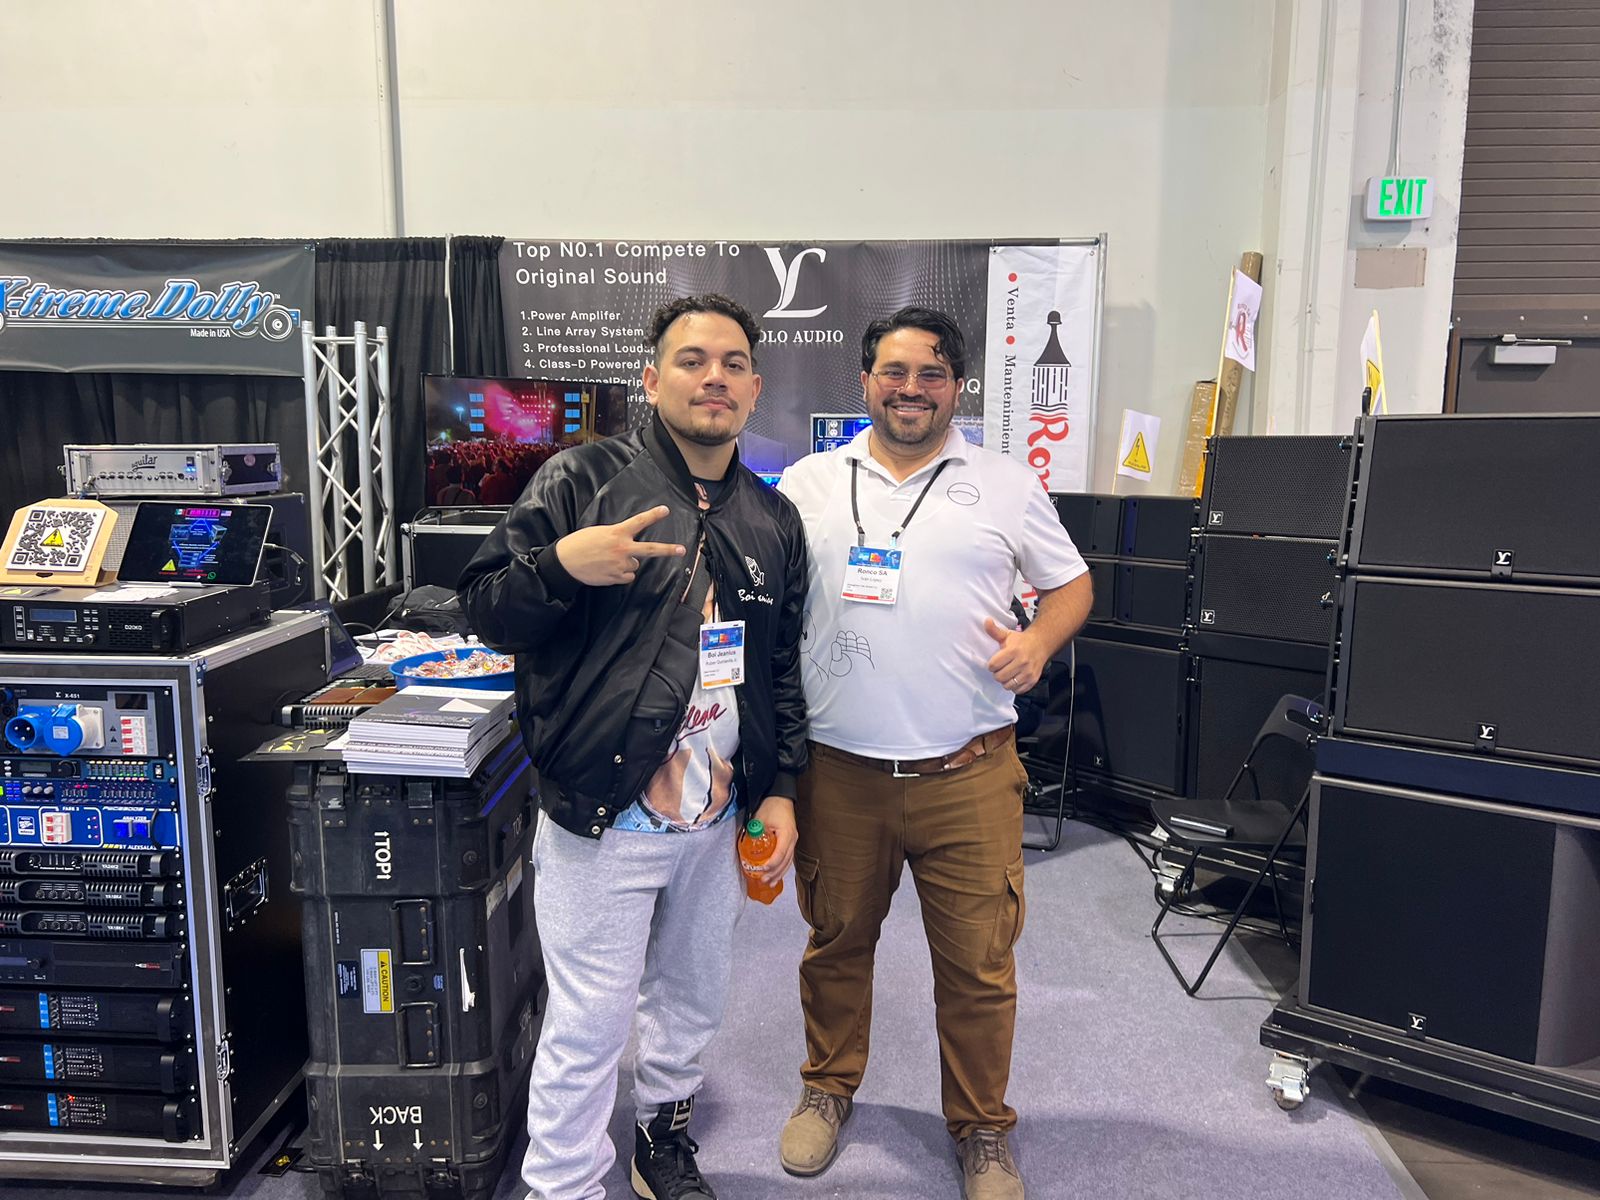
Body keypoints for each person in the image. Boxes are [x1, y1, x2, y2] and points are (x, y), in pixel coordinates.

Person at [458, 294, 808, 1200]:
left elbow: (780, 671)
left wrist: (780, 788)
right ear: (651, 380)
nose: (714, 377)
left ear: (755, 388)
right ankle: (564, 1185)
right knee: (588, 1024)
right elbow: (485, 608)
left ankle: (663, 1138)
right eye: (692, 361)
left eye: (733, 363)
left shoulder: (772, 519)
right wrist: (560, 567)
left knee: (692, 1001)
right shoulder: (580, 479)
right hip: (601, 816)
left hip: (718, 819)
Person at [775, 306, 1092, 1200]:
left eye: (931, 374)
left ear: (957, 386)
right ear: (865, 381)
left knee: (979, 965)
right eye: (893, 371)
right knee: (835, 943)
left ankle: (983, 1129)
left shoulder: (1006, 483)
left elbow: (1072, 584)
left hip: (969, 773)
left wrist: (1039, 643)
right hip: (839, 773)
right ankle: (827, 1088)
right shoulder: (805, 483)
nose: (910, 389)